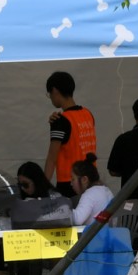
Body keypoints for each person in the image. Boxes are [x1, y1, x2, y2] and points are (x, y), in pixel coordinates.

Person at [43, 70, 97, 199]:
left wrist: (42, 187)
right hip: (91, 180)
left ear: (55, 91)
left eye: (49, 94)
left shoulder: (60, 121)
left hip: (70, 183)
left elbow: (52, 159)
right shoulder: (88, 114)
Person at [107, 97, 138, 189]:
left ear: (134, 115)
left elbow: (113, 171)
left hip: (129, 194)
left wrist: (129, 171)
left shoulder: (122, 139)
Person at [70, 154, 114, 226]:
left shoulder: (89, 194)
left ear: (84, 179)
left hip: (96, 233)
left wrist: (63, 210)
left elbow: (77, 219)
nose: (71, 183)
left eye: (73, 179)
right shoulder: (106, 190)